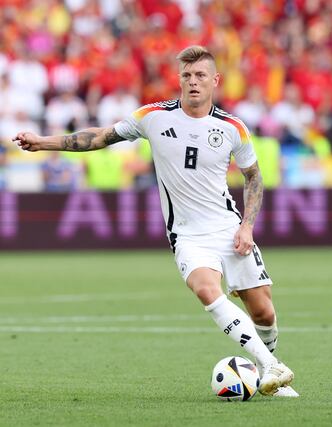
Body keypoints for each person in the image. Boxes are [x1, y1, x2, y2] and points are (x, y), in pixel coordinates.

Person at [13, 45, 297, 397]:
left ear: (215, 81)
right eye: (187, 76)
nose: (193, 82)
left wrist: (247, 225)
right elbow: (98, 137)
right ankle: (270, 368)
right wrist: (44, 142)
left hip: (228, 226)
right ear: (179, 80)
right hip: (187, 234)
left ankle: (270, 369)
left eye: (201, 76)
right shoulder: (154, 117)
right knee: (207, 290)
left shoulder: (232, 128)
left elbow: (253, 177)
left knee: (264, 312)